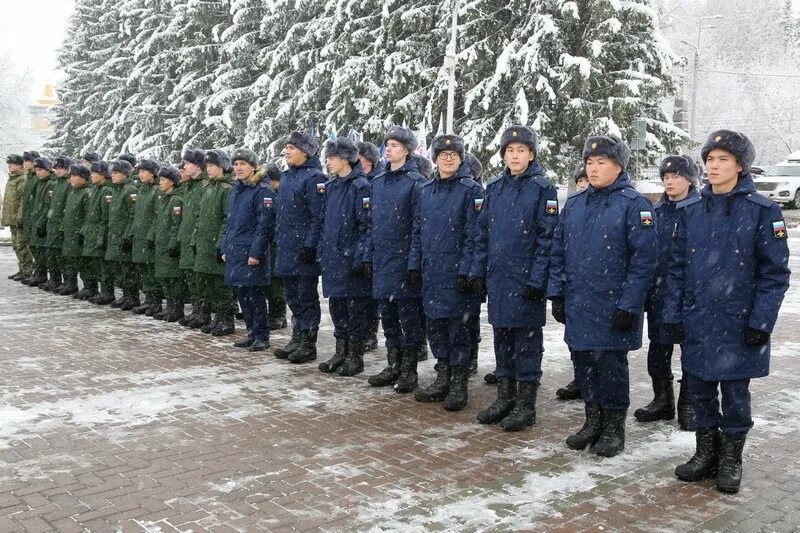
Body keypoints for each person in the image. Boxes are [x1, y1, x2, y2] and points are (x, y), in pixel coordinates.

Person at [665, 130, 790, 493]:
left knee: (735, 393)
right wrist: (672, 315)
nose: (713, 166)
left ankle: (731, 458)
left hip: (739, 323)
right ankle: (706, 453)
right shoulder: (690, 211)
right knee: (700, 389)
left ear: (740, 165)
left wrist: (761, 321)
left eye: (722, 159)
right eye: (709, 159)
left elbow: (775, 274)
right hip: (698, 320)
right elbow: (676, 269)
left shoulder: (763, 212)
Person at [548, 135, 657, 457]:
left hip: (614, 306)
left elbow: (645, 262)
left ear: (618, 166)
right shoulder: (576, 203)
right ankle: (592, 421)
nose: (593, 169)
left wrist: (630, 305)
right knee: (583, 364)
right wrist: (558, 294)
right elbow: (559, 251)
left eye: (602, 163)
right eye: (590, 163)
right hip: (580, 302)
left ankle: (613, 429)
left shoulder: (635, 205)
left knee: (610, 369)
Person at [469, 126, 557, 431]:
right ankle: (505, 397)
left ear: (531, 154)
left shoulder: (543, 189)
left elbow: (548, 238)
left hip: (526, 282)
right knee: (502, 339)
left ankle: (525, 404)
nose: (515, 156)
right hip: (499, 279)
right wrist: (479, 272)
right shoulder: (494, 188)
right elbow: (482, 235)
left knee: (527, 344)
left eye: (521, 150)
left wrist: (537, 280)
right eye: (510, 150)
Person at [411, 134, 484, 411]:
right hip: (432, 273)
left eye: (454, 153)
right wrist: (413, 265)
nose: (449, 157)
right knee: (436, 328)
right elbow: (417, 231)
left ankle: (458, 384)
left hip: (457, 276)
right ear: (435, 157)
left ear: (461, 157)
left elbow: (475, 235)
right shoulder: (426, 190)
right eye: (443, 153)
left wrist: (467, 271)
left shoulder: (471, 190)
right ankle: (443, 376)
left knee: (458, 331)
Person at [633, 155, 701, 428]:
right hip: (659, 294)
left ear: (690, 179)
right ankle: (663, 400)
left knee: (691, 350)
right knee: (658, 348)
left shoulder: (700, 210)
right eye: (666, 177)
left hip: (690, 295)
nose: (670, 182)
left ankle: (689, 403)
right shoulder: (656, 212)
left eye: (676, 176)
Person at [365, 126, 426, 393]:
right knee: (388, 318)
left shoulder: (416, 182)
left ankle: (409, 369)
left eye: (395, 145)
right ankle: (393, 365)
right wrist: (368, 254)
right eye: (387, 144)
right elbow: (371, 223)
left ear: (407, 150)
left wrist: (414, 263)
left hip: (403, 262)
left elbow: (417, 227)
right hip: (382, 261)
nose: (388, 149)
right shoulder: (378, 181)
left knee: (408, 319)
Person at [317, 138, 372, 376]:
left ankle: (355, 355)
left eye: (331, 158)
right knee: (337, 308)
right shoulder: (331, 187)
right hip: (333, 260)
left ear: (345, 159)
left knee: (355, 311)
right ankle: (341, 352)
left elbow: (367, 226)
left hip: (351, 262)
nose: (328, 162)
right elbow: (324, 224)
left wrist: (358, 256)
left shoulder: (361, 187)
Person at [273, 132, 325, 364]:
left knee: (306, 297)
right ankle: (297, 336)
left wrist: (310, 245)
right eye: (286, 147)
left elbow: (318, 217)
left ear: (306, 152)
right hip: (286, 247)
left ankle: (308, 343)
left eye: (292, 147)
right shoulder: (286, 177)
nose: (287, 151)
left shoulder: (314, 178)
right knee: (293, 296)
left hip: (303, 249)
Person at [224, 149, 276, 352]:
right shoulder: (237, 189)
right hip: (236, 249)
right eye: (236, 164)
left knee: (255, 294)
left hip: (251, 252)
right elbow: (230, 223)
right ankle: (251, 333)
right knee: (243, 293)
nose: (238, 168)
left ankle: (262, 335)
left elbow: (265, 226)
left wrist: (255, 252)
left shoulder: (262, 190)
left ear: (253, 166)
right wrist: (226, 246)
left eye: (243, 164)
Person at [554, 162, 590, 401]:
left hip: (598, 289)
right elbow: (559, 248)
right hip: (574, 287)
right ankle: (580, 379)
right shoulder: (573, 208)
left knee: (598, 349)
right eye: (580, 181)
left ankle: (591, 386)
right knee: (574, 340)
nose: (584, 185)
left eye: (587, 180)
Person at [192, 149, 237, 336]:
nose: (208, 169)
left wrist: (221, 244)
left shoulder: (228, 190)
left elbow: (228, 220)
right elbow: (199, 217)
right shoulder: (207, 188)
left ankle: (226, 320)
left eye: (212, 166)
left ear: (222, 167)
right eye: (207, 166)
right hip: (204, 243)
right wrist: (195, 239)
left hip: (216, 244)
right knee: (208, 284)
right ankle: (217, 318)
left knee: (222, 285)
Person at [150, 166, 187, 322]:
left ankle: (176, 309)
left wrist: (173, 243)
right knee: (165, 277)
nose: (160, 182)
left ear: (171, 182)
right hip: (161, 244)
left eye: (163, 180)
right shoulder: (163, 199)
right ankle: (170, 307)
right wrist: (151, 237)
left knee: (173, 278)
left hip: (169, 246)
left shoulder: (176, 200)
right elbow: (157, 220)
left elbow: (176, 224)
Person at [356, 140, 383, 350]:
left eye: (360, 158)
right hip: (356, 245)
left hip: (373, 244)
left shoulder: (375, 182)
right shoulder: (356, 181)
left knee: (370, 295)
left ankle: (370, 333)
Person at [177, 149, 208, 326]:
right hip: (188, 238)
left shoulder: (204, 185)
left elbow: (200, 216)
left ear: (197, 165)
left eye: (187, 163)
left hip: (198, 239)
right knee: (191, 276)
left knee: (200, 279)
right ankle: (197, 312)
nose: (183, 167)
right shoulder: (189, 185)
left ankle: (203, 313)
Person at [129, 159, 164, 316]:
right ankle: (148, 300)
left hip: (149, 237)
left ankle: (155, 302)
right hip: (139, 236)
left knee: (151, 270)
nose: (141, 174)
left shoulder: (157, 190)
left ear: (153, 173)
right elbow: (136, 215)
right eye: (140, 171)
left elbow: (158, 216)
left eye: (144, 171)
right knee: (144, 269)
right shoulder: (142, 190)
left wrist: (151, 235)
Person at [106, 160, 140, 310]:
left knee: (128, 270)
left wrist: (128, 235)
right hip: (115, 235)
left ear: (125, 174)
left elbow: (133, 216)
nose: (112, 176)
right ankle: (126, 296)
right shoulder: (116, 190)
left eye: (116, 173)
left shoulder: (130, 190)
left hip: (124, 236)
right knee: (120, 269)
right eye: (112, 173)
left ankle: (132, 297)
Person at [84, 161, 115, 305]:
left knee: (103, 266)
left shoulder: (106, 191)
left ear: (102, 175)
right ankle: (98, 291)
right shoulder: (97, 189)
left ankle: (107, 293)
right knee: (96, 264)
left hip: (99, 233)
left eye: (94, 173)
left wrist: (102, 236)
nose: (91, 176)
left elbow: (105, 217)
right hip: (93, 232)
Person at [41, 157, 73, 293]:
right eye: (57, 168)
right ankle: (55, 280)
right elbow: (50, 205)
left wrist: (62, 226)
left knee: (63, 256)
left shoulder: (69, 184)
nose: (58, 171)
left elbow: (69, 207)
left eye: (61, 168)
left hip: (61, 226)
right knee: (52, 254)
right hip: (52, 224)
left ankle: (69, 283)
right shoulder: (55, 184)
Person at [59, 165, 92, 297]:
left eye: (74, 176)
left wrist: (82, 232)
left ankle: (89, 287)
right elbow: (66, 212)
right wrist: (62, 228)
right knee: (69, 260)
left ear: (83, 177)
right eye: (70, 176)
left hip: (79, 234)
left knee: (83, 262)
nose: (70, 178)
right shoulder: (72, 191)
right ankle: (70, 284)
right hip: (69, 232)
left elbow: (89, 216)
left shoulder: (87, 193)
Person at [2, 154, 34, 281]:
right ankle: (22, 269)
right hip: (12, 218)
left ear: (19, 165)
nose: (9, 166)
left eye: (12, 163)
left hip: (18, 219)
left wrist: (19, 218)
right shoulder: (13, 178)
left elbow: (23, 201)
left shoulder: (22, 179)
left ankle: (27, 271)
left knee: (22, 245)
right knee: (16, 245)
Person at [24, 157, 54, 288]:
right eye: (36, 170)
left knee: (42, 251)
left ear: (47, 169)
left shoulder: (51, 183)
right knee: (36, 249)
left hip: (44, 222)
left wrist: (42, 223)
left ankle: (42, 275)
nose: (38, 172)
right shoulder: (40, 182)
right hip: (36, 220)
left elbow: (48, 206)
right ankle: (39, 274)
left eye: (41, 170)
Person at [265, 162, 287, 330]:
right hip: (271, 242)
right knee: (270, 280)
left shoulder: (280, 195)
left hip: (278, 243)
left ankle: (278, 315)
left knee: (276, 282)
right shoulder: (273, 193)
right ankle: (272, 313)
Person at [19, 150, 41, 283]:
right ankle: (34, 273)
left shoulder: (37, 177)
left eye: (28, 161)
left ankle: (38, 274)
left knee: (37, 248)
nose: (25, 163)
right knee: (31, 246)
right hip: (28, 216)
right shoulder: (30, 177)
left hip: (35, 217)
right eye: (24, 161)